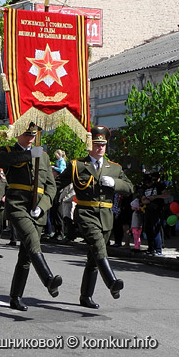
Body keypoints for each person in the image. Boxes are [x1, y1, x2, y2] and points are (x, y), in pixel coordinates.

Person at [56, 125, 133, 309]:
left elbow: (130, 188)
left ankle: (85, 296)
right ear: (89, 145)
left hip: (106, 217)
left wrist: (116, 183)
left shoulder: (114, 168)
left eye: (103, 144)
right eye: (96, 144)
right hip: (86, 213)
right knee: (98, 247)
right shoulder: (78, 165)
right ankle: (112, 282)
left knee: (94, 258)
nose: (100, 148)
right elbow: (57, 183)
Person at [0, 122, 62, 312]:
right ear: (18, 134)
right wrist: (29, 155)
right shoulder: (8, 150)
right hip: (17, 205)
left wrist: (42, 206)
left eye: (34, 133)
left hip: (37, 209)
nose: (31, 137)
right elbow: (4, 161)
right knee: (32, 240)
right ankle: (48, 279)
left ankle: (15, 297)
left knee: (25, 255)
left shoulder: (44, 155)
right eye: (27, 133)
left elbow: (51, 186)